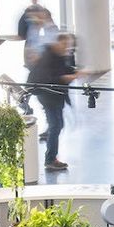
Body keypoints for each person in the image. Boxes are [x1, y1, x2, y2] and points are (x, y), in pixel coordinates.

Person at [27, 32, 82, 171]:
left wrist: (72, 72)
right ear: (58, 43)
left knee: (57, 125)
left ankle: (50, 151)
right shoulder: (48, 57)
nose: (66, 48)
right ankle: (50, 159)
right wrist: (71, 76)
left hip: (53, 96)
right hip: (48, 97)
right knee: (56, 125)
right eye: (64, 44)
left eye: (68, 45)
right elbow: (54, 78)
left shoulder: (58, 55)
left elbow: (61, 71)